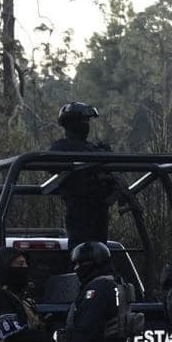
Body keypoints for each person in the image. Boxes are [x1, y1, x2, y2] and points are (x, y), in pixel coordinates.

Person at [49, 101, 117, 244]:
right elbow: (52, 166)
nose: (86, 124)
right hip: (79, 207)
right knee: (81, 250)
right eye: (83, 121)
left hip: (99, 207)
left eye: (87, 121)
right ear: (70, 123)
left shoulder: (94, 148)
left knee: (101, 251)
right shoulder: (61, 147)